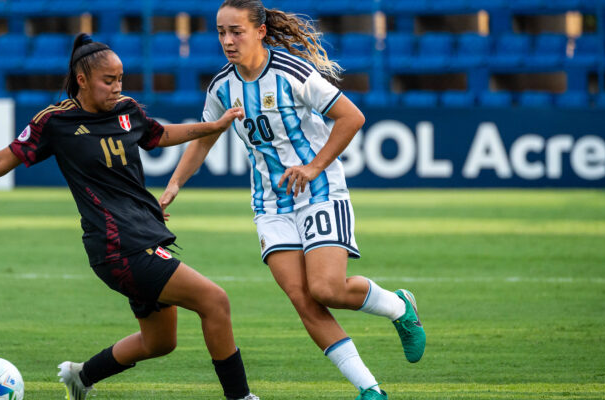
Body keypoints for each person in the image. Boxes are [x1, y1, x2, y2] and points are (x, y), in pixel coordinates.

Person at [0, 34, 259, 400]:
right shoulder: (55, 121)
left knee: (160, 342)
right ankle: (240, 397)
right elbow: (4, 159)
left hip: (144, 236)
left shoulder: (127, 110)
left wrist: (213, 126)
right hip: (118, 246)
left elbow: (159, 135)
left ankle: (81, 376)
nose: (117, 87)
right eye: (108, 80)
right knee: (215, 301)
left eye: (120, 79)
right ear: (82, 80)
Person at [159, 2, 425, 399]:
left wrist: (314, 167)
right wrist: (174, 184)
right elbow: (206, 137)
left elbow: (351, 117)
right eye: (221, 32)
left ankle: (399, 307)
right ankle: (370, 389)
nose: (228, 41)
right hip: (270, 205)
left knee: (326, 289)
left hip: (319, 192)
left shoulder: (291, 72)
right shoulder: (221, 87)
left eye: (236, 31)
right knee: (302, 298)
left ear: (260, 31)